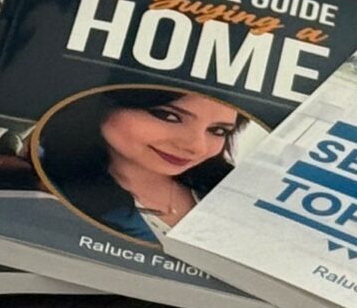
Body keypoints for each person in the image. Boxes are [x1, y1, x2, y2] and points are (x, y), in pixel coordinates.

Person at [37, 88, 245, 244]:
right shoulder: (40, 185)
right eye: (168, 116)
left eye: (218, 130)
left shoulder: (231, 193)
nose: (196, 147)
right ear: (103, 102)